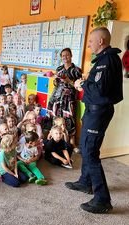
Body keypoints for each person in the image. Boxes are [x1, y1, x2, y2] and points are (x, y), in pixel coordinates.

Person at [65, 27, 123, 213]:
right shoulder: (103, 59)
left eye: (91, 41)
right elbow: (98, 85)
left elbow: (99, 91)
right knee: (86, 148)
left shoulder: (107, 60)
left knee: (90, 153)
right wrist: (86, 82)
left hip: (98, 113)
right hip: (93, 111)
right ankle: (85, 182)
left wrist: (81, 85)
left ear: (101, 41)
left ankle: (102, 199)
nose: (88, 44)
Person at [44, 47, 82, 150]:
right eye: (63, 55)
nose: (65, 57)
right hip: (57, 96)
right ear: (61, 57)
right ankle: (54, 140)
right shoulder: (59, 69)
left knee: (69, 118)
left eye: (67, 55)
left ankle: (72, 144)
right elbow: (55, 83)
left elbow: (78, 86)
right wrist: (55, 81)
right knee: (55, 117)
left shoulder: (77, 70)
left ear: (71, 56)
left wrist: (69, 80)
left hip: (68, 98)